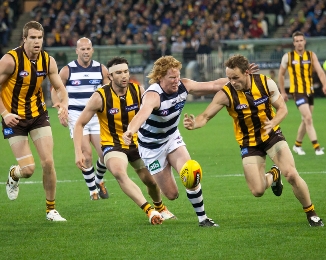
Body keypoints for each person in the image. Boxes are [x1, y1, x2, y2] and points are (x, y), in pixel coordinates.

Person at [183, 54, 323, 227]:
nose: (232, 82)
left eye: (236, 77)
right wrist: (194, 123)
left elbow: (283, 109)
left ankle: (311, 213)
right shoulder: (226, 94)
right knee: (257, 191)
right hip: (248, 143)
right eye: (229, 78)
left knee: (292, 174)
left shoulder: (265, 83)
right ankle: (274, 174)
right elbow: (205, 116)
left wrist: (273, 123)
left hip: (271, 136)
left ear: (247, 72)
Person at [122, 55, 258, 227]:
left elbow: (214, 85)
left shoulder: (183, 85)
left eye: (178, 76)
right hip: (151, 148)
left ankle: (203, 219)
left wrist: (245, 77)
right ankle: (160, 205)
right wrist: (130, 131)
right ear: (160, 78)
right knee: (172, 194)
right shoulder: (153, 95)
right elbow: (142, 114)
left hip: (172, 138)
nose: (176, 80)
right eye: (172, 77)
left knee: (191, 173)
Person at [73, 56, 175, 224]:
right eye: (118, 72)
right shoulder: (100, 96)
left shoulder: (138, 91)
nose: (124, 75)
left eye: (126, 71)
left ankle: (160, 207)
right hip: (112, 145)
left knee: (151, 181)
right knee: (120, 173)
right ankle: (149, 211)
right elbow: (79, 124)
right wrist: (78, 152)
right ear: (110, 77)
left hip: (138, 144)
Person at [0, 21, 68, 221]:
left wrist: (64, 104)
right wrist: (5, 114)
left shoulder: (48, 61)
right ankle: (15, 174)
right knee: (28, 170)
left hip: (38, 115)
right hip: (14, 119)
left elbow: (59, 87)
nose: (37, 41)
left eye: (40, 38)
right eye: (33, 38)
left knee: (48, 161)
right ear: (24, 39)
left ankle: (51, 210)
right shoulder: (10, 60)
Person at [51, 37, 110, 200]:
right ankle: (93, 191)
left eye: (88, 49)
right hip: (77, 117)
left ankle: (98, 180)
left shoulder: (101, 69)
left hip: (97, 116)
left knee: (106, 154)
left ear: (92, 50)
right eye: (82, 49)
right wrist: (59, 105)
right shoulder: (67, 70)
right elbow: (55, 88)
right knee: (87, 154)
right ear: (76, 51)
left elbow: (108, 92)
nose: (85, 51)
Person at [278, 31, 326, 156]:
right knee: (308, 118)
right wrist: (283, 92)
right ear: (293, 43)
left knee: (306, 120)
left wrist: (325, 84)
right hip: (297, 92)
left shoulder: (311, 55)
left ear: (304, 41)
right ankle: (317, 147)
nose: (299, 43)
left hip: (309, 92)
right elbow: (281, 75)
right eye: (297, 41)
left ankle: (297, 145)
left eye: (301, 40)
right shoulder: (288, 57)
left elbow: (320, 72)